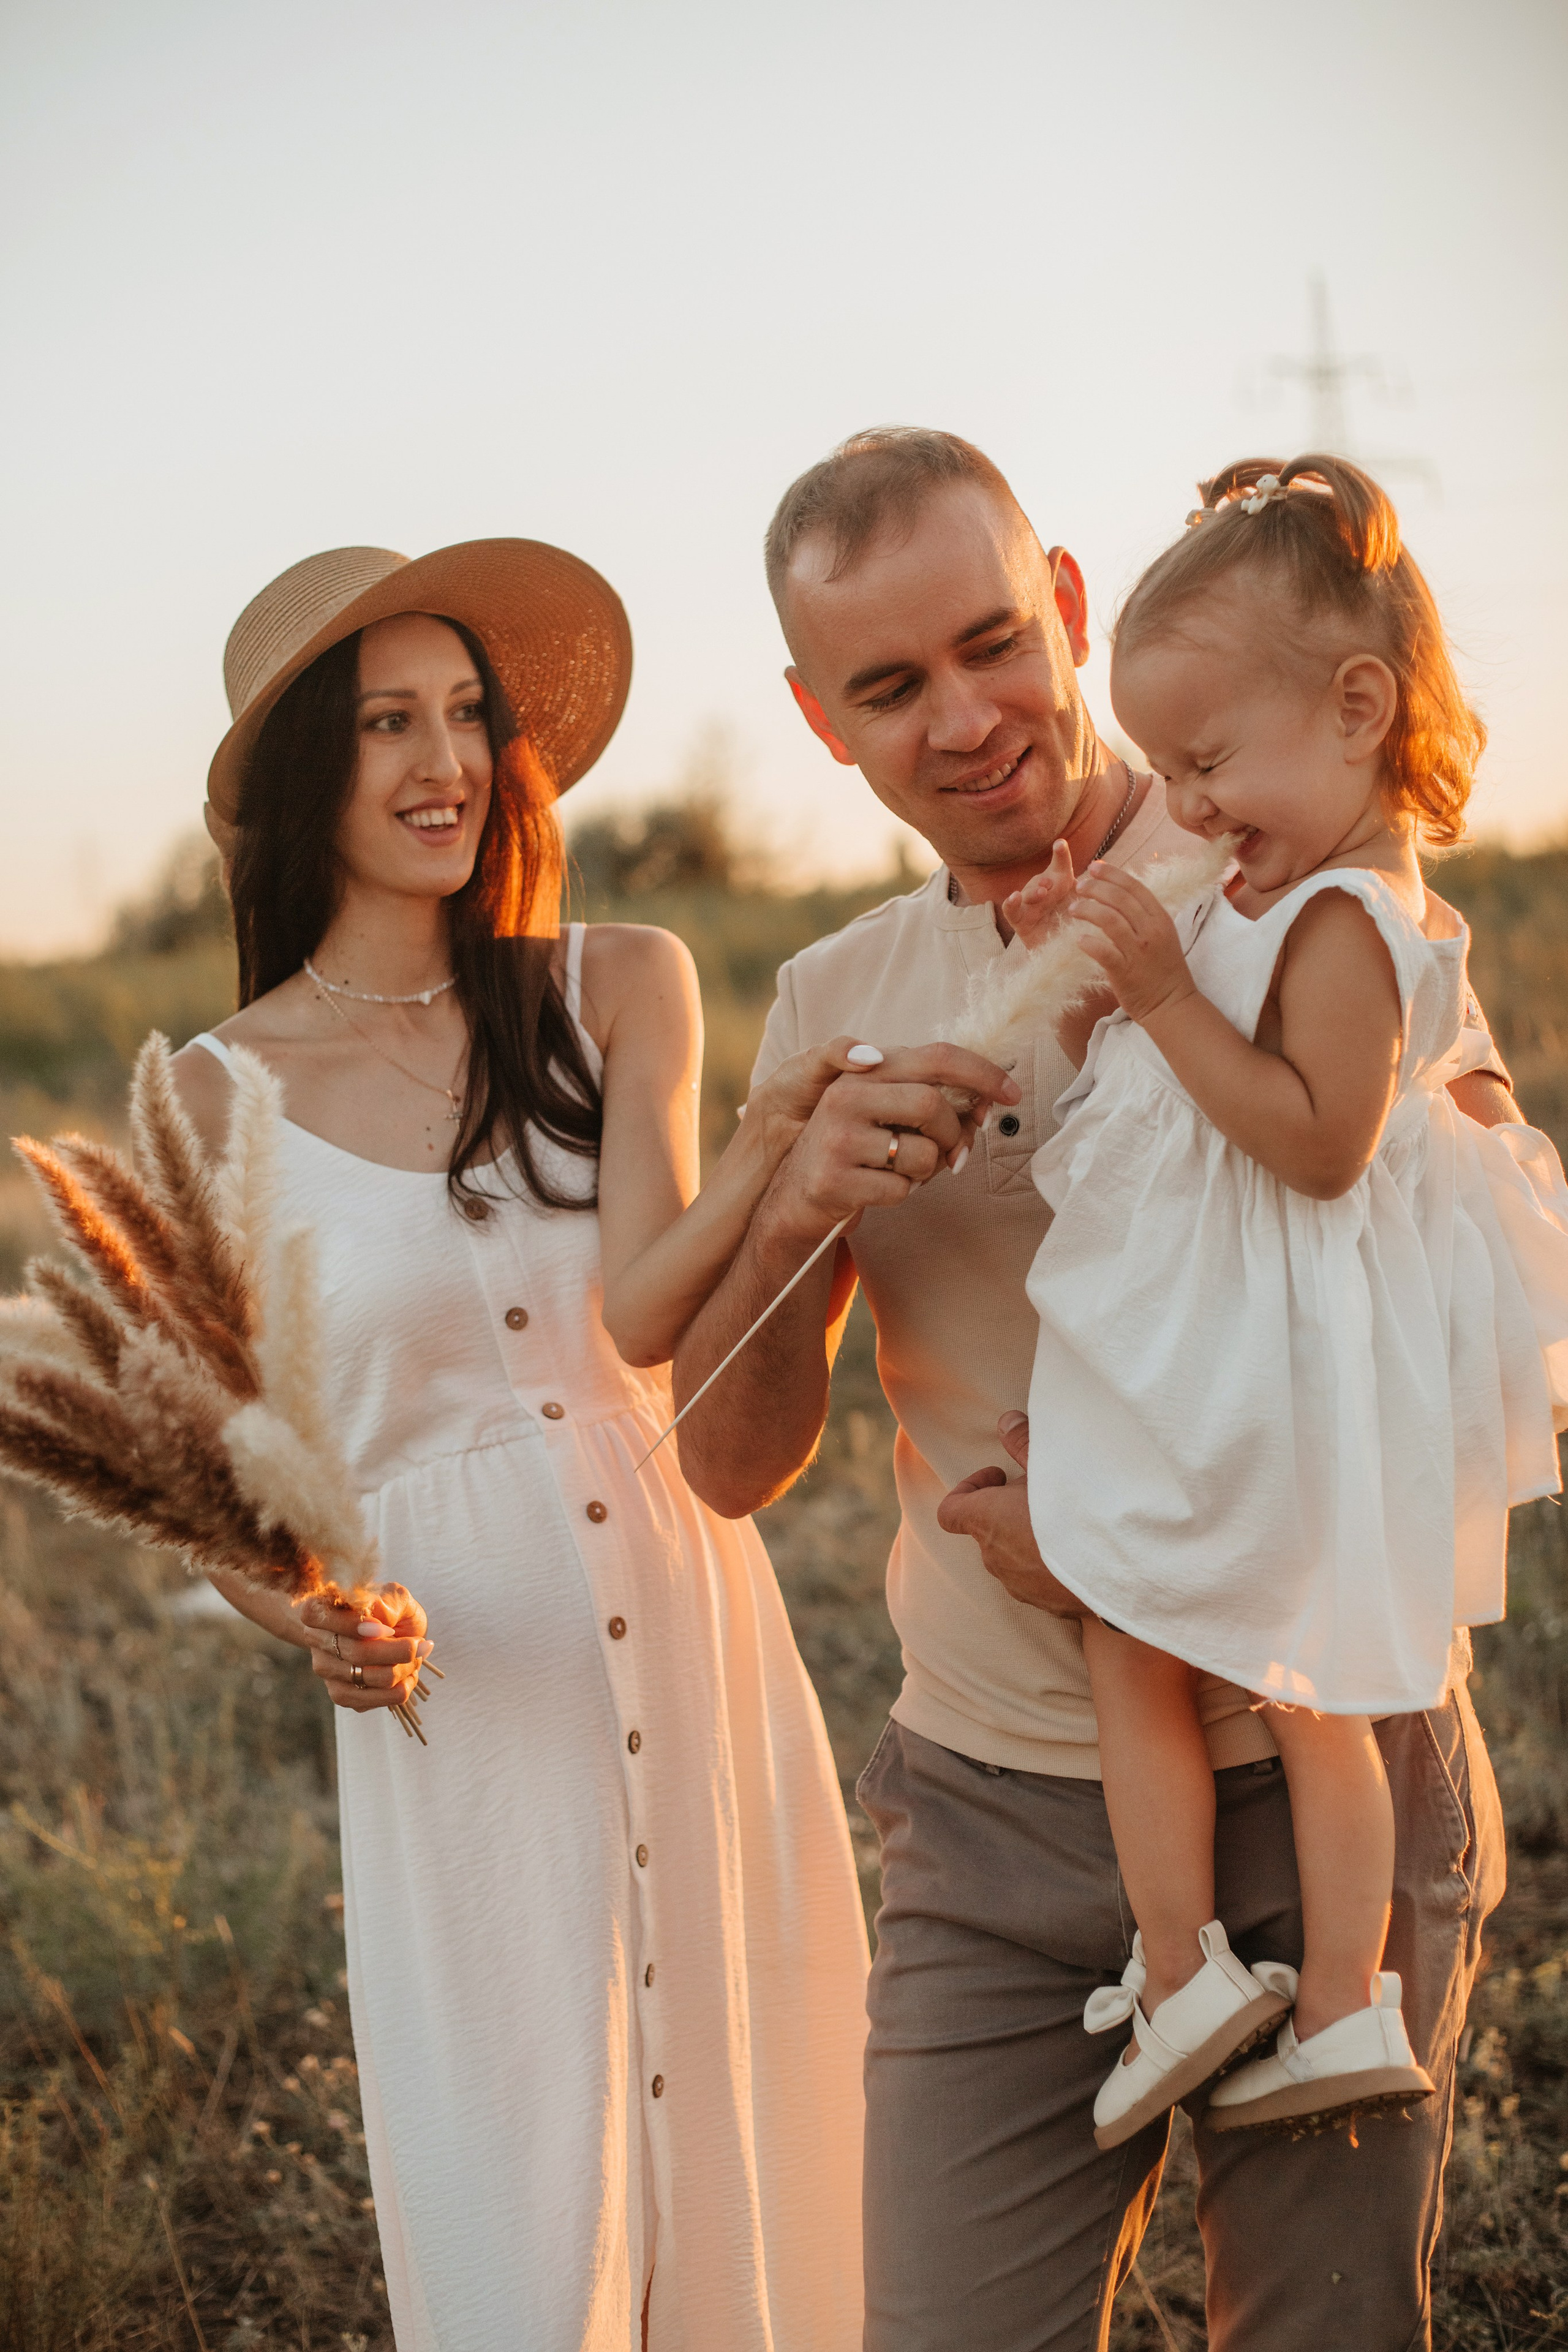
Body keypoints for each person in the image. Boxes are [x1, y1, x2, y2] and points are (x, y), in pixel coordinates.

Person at [670, 430, 1515, 2351]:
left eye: (989, 643)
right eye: (889, 688)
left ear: (1062, 603)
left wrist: (1144, 1536)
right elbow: (734, 1464)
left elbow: (1460, 1329)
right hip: (989, 1818)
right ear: (821, 722)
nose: (965, 721)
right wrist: (800, 1200)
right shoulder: (828, 1001)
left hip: (1315, 1782)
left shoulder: (1284, 853)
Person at [171, 538, 876, 2351]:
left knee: (766, 2155)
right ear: (311, 772)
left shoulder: (620, 982)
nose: (446, 762)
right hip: (461, 1705)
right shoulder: (207, 1090)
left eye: (469, 715)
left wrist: (776, 1148)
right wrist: (307, 1613)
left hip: (691, 1628)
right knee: (526, 2202)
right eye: (390, 721)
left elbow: (644, 1313)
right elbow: (226, 1494)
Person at [1003, 454, 1568, 2147]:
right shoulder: (1284, 883)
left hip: (1290, 1360)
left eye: (1206, 762)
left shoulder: (1351, 918)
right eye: (1167, 769)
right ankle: (1315, 2000)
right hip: (1278, 1352)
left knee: (1206, 1648)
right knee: (1276, 1673)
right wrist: (1102, 968)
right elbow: (1180, 1090)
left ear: (1354, 705)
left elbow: (1315, 1143)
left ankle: (1244, 1982)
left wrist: (1167, 989)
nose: (1184, 802)